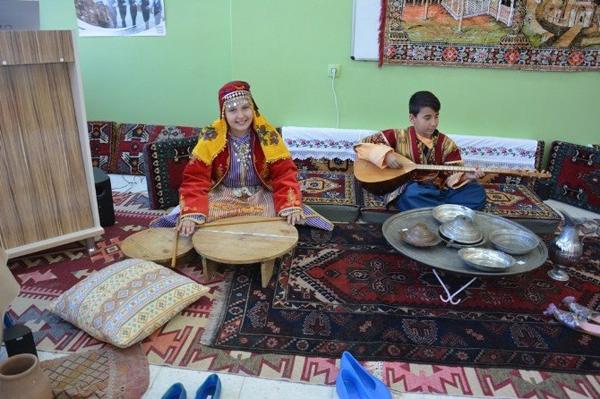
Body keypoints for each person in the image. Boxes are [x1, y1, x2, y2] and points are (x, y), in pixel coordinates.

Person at [151, 81, 333, 235]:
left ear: (253, 108)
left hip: (259, 195)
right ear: (224, 114)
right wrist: (192, 212)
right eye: (232, 110)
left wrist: (289, 204)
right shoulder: (211, 138)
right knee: (193, 215)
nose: (240, 116)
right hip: (223, 195)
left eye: (245, 107)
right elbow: (195, 179)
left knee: (291, 212)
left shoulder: (268, 136)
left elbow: (284, 173)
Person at [354, 91, 486, 211]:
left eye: (436, 117)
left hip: (439, 190)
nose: (434, 123)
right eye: (427, 118)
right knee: (411, 195)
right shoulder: (397, 135)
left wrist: (467, 176)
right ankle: (448, 212)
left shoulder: (446, 143)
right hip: (412, 189)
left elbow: (452, 174)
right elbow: (362, 146)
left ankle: (433, 210)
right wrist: (385, 156)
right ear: (412, 118)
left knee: (476, 192)